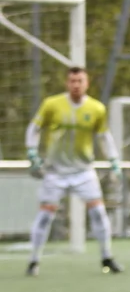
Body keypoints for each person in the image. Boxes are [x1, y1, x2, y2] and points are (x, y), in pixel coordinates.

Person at [24, 66, 123, 277]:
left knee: (98, 212)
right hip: (55, 172)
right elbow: (34, 128)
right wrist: (32, 151)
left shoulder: (96, 108)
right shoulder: (52, 104)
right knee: (45, 216)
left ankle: (107, 257)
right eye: (72, 81)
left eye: (80, 81)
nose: (76, 85)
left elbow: (105, 137)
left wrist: (114, 160)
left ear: (87, 83)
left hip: (83, 172)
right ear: (67, 83)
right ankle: (33, 261)